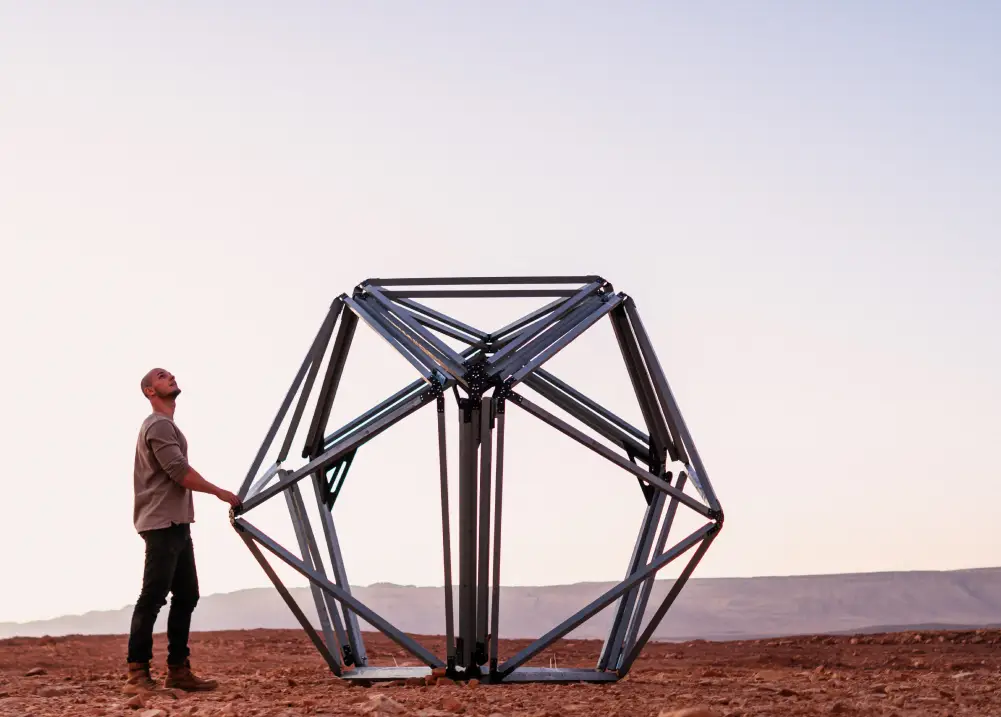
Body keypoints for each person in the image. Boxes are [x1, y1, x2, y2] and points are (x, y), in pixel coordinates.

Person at [125, 367, 240, 694]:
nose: (170, 377)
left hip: (176, 523)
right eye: (161, 376)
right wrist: (219, 492)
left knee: (187, 594)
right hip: (161, 523)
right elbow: (178, 471)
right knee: (152, 597)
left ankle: (178, 671)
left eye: (170, 374)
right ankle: (136, 675)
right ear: (150, 391)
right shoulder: (158, 425)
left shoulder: (167, 425)